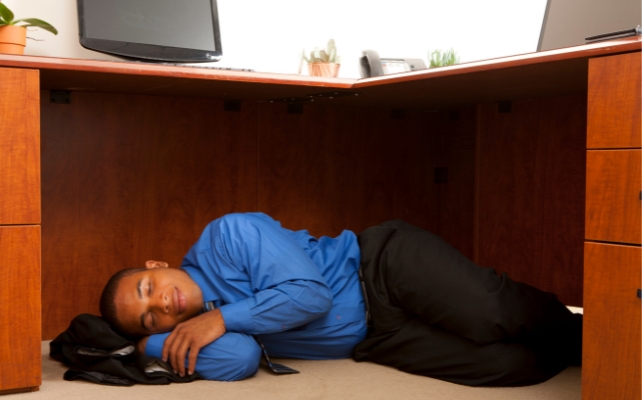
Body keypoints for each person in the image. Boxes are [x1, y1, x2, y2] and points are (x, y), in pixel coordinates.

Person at [99, 212, 582, 385]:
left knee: (489, 313)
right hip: (377, 339)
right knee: (509, 366)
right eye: (149, 320)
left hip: (380, 268)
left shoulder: (228, 234)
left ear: (157, 266)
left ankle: (601, 331)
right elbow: (242, 360)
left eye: (148, 290)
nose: (160, 306)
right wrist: (151, 348)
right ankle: (587, 352)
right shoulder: (191, 329)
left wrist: (222, 317)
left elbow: (311, 297)